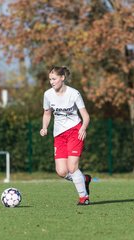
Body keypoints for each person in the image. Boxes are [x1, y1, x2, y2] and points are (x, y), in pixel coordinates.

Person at [40, 66, 92, 205]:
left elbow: (85, 116)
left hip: (75, 131)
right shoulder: (48, 95)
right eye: (50, 79)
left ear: (62, 78)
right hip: (59, 135)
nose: (52, 82)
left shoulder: (74, 94)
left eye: (54, 79)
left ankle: (83, 197)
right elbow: (47, 113)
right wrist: (44, 127)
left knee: (72, 167)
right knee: (62, 171)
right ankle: (83, 179)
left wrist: (83, 128)